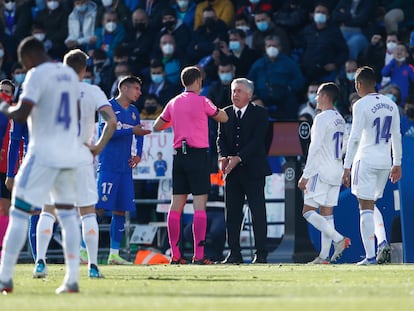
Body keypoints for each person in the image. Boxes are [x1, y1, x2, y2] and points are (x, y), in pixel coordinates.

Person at [0, 36, 82, 294]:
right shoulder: (68, 75)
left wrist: (5, 107)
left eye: (24, 64)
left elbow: (22, 114)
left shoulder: (36, 75)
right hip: (67, 152)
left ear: (28, 58)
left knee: (19, 212)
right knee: (68, 215)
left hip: (42, 152)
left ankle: (4, 277)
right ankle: (71, 279)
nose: (25, 69)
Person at [32, 49, 117, 279]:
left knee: (48, 210)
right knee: (87, 211)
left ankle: (40, 262)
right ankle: (92, 265)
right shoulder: (92, 91)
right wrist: (98, 146)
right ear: (84, 69)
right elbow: (112, 121)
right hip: (81, 154)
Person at [153, 65, 228, 264]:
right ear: (197, 81)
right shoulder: (203, 101)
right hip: (198, 156)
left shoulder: (173, 102)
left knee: (176, 206)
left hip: (179, 156)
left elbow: (157, 126)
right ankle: (199, 255)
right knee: (199, 207)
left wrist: (177, 121)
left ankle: (175, 255)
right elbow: (222, 116)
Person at [342, 66, 402, 265]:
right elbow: (396, 136)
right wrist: (397, 163)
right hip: (384, 162)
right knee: (371, 204)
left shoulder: (360, 105)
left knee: (364, 207)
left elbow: (355, 137)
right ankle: (382, 240)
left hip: (365, 160)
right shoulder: (391, 105)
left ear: (358, 84)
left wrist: (346, 166)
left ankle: (369, 257)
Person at [96, 75, 151, 265]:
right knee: (99, 208)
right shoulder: (107, 108)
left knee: (121, 210)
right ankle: (83, 249)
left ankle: (114, 254)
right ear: (124, 89)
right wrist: (131, 132)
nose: (139, 92)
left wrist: (139, 154)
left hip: (125, 169)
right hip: (109, 165)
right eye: (136, 88)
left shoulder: (135, 111)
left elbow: (139, 132)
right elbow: (106, 135)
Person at [217, 78, 272, 264]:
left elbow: (259, 141)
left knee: (258, 212)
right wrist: (223, 156)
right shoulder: (225, 113)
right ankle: (234, 252)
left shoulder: (260, 114)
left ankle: (261, 253)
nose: (235, 94)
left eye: (239, 91)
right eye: (233, 91)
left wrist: (239, 157)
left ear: (249, 94)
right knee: (232, 213)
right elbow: (220, 139)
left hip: (254, 170)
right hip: (232, 172)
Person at [297, 82, 351, 264]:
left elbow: (314, 148)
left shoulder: (320, 118)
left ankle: (338, 239)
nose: (316, 98)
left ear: (325, 96)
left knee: (307, 211)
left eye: (318, 94)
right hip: (335, 169)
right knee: (327, 214)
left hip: (320, 171)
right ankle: (324, 257)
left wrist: (306, 174)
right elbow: (343, 146)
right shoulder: (339, 118)